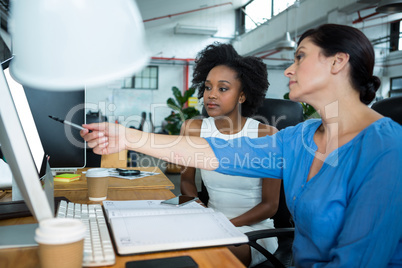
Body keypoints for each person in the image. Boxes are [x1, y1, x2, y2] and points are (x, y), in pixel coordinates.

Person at [81, 24, 402, 267]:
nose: (289, 69)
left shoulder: (386, 150)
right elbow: (217, 154)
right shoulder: (300, 137)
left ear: (337, 62)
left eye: (300, 57)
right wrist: (125, 136)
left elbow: (358, 261)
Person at [179, 43, 281, 266]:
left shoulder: (266, 135)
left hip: (253, 231)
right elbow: (186, 181)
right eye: (207, 87)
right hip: (211, 223)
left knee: (210, 256)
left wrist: (225, 225)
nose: (211, 95)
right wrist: (203, 212)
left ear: (242, 96)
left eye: (222, 89)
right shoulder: (193, 128)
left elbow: (270, 205)